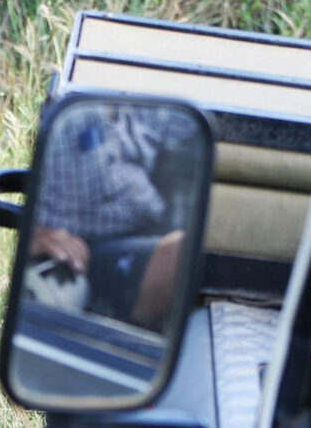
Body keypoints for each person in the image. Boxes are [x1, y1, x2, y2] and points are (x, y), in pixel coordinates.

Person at [28, 102, 195, 330]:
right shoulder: (64, 112)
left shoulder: (149, 102)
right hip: (82, 252)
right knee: (184, 253)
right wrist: (32, 234)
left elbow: (197, 126)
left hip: (149, 227)